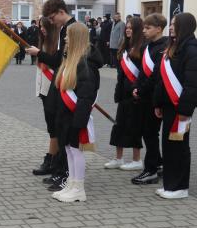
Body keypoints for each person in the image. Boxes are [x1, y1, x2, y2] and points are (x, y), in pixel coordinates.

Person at [26, 0, 78, 192]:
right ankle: (60, 170)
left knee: (66, 133)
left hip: (68, 85)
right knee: (59, 130)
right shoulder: (65, 29)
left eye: (51, 17)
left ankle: (66, 174)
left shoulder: (73, 29)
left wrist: (39, 53)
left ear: (61, 11)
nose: (51, 21)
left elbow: (60, 60)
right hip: (60, 83)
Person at [52, 23, 102, 202]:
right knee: (68, 150)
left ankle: (79, 188)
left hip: (75, 117)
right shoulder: (71, 60)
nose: (65, 38)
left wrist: (79, 122)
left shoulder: (85, 64)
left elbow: (85, 97)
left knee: (76, 151)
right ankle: (71, 184)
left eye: (68, 35)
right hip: (66, 115)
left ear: (76, 38)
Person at [153, 13, 197, 199]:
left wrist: (185, 110)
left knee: (179, 147)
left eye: (174, 24)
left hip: (180, 108)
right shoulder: (173, 47)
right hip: (169, 106)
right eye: (170, 24)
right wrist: (158, 103)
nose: (170, 28)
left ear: (184, 27)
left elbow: (192, 84)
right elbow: (162, 80)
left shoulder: (191, 50)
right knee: (169, 146)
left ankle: (180, 187)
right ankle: (170, 185)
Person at [131, 13, 168, 184]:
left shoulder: (164, 47)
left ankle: (151, 169)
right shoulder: (147, 46)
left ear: (159, 29)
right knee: (147, 133)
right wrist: (136, 87)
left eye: (148, 28)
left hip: (155, 98)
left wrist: (141, 90)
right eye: (144, 27)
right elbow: (141, 72)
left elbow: (156, 75)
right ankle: (157, 163)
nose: (144, 31)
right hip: (144, 96)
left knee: (150, 133)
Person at [105, 17, 144, 170]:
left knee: (134, 127)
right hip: (123, 94)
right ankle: (118, 158)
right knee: (119, 126)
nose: (128, 30)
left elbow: (143, 73)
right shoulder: (124, 48)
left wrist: (137, 89)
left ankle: (137, 160)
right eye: (127, 27)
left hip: (135, 95)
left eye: (131, 28)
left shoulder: (142, 48)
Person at [33, 16, 59, 176]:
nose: (42, 29)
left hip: (53, 90)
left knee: (54, 127)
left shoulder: (56, 44)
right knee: (51, 126)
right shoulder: (43, 43)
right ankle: (53, 158)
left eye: (44, 26)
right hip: (44, 90)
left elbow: (55, 64)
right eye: (40, 26)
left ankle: (52, 159)